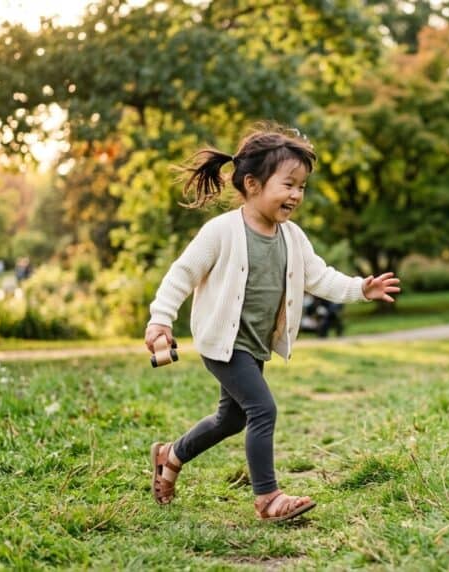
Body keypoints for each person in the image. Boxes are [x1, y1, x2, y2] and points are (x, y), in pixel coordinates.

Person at [143, 125, 400, 522]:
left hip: (254, 343)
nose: (296, 194)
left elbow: (320, 277)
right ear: (252, 183)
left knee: (232, 418)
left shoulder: (292, 238)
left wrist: (359, 290)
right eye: (288, 184)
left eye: (302, 187)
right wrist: (160, 319)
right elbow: (182, 274)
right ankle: (267, 498)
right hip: (223, 344)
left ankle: (170, 456)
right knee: (263, 410)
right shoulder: (222, 231)